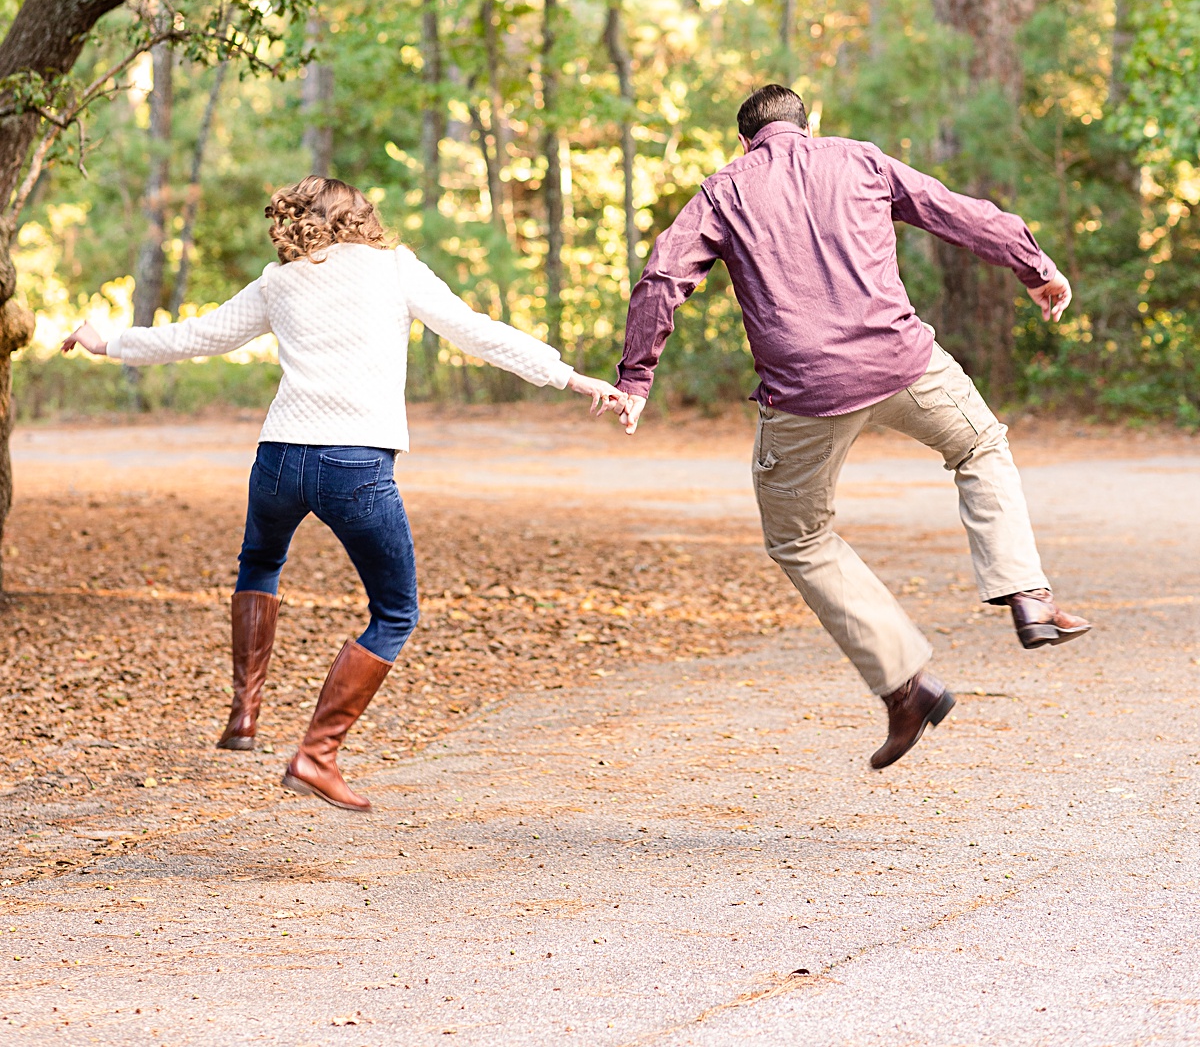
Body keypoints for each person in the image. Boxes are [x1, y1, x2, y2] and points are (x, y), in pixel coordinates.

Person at [63, 175, 626, 813]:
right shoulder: (395, 271)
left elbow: (197, 336)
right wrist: (572, 378)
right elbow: (480, 334)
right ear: (360, 218)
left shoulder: (280, 282)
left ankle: (245, 715)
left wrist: (107, 341)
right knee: (395, 611)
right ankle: (317, 754)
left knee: (260, 562)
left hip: (278, 459)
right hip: (353, 463)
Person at [609, 85, 1090, 770]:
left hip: (807, 391)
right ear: (808, 126)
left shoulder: (724, 190)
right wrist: (1034, 266)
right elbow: (958, 213)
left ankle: (907, 685)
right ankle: (1029, 595)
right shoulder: (859, 160)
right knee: (981, 444)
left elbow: (661, 278)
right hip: (904, 363)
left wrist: (636, 378)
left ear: (746, 141)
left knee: (800, 537)